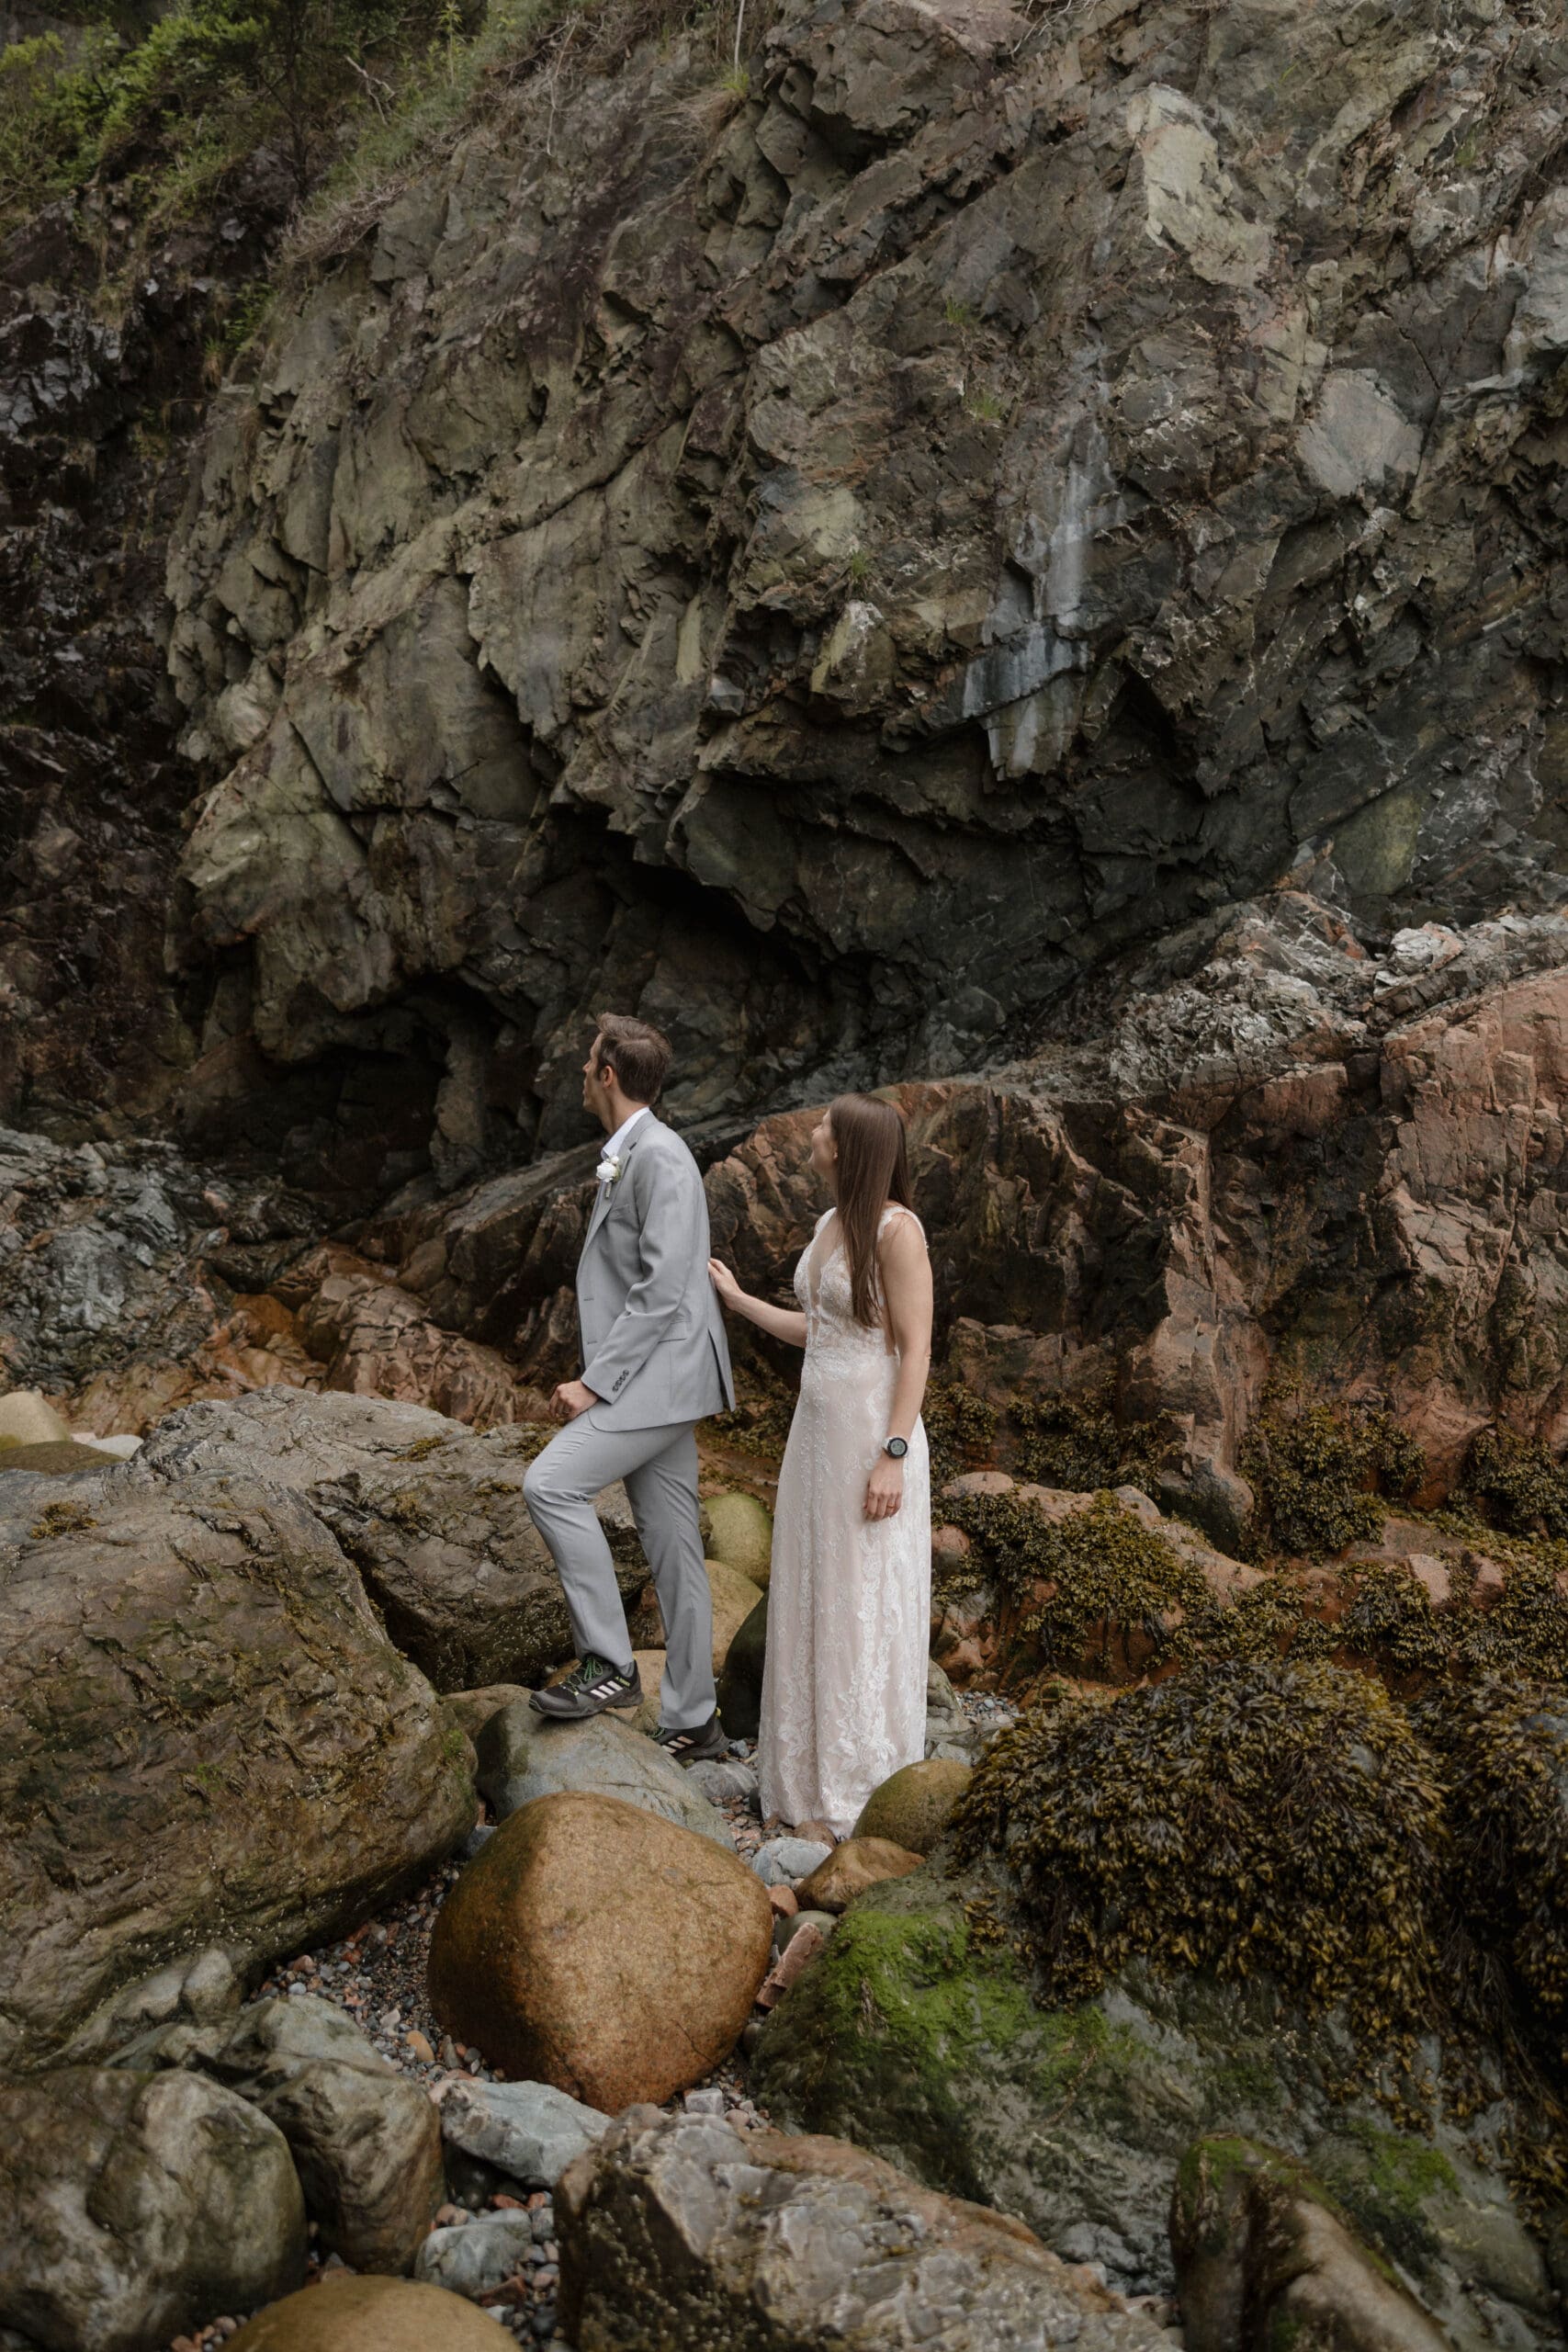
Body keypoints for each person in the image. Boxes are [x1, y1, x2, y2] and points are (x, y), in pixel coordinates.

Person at [708, 1093, 932, 1834]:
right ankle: (800, 1780)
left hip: (871, 1433)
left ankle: (859, 1785)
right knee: (813, 1585)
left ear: (848, 1148)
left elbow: (915, 1347)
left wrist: (892, 1455)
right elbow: (819, 1329)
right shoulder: (830, 1224)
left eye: (823, 1128)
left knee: (861, 1593)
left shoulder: (899, 1231)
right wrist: (738, 1302)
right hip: (814, 1436)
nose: (810, 1134)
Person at [523, 1014, 735, 1762]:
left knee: (549, 1485)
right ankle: (694, 1721)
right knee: (675, 1544)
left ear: (608, 1076)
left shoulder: (661, 1157)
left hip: (660, 1377)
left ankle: (609, 1667)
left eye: (587, 1065)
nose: (582, 1074)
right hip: (661, 1375)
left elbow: (666, 1288)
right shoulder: (632, 1152)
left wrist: (593, 1381)